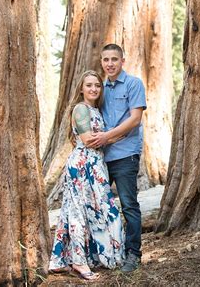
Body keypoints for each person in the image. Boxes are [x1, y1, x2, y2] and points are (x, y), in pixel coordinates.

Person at [49, 70, 124, 281]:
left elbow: (98, 139)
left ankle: (60, 260)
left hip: (95, 165)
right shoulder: (81, 109)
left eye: (97, 85)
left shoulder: (95, 110)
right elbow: (88, 139)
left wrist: (113, 136)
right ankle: (78, 262)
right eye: (89, 85)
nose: (93, 89)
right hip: (82, 165)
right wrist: (116, 135)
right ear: (81, 88)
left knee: (82, 210)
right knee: (78, 212)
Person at [86, 45, 146, 274]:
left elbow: (135, 120)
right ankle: (105, 252)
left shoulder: (133, 84)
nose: (109, 64)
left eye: (114, 59)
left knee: (129, 205)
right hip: (101, 157)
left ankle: (134, 255)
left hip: (125, 154)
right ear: (101, 62)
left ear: (122, 60)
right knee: (99, 204)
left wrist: (107, 137)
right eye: (105, 60)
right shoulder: (101, 88)